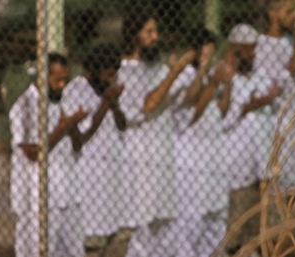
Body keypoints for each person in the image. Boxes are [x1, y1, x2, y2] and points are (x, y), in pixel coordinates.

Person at [117, 7, 196, 256]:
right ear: (134, 35)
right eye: (149, 31)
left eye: (156, 31)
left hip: (163, 162)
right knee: (141, 235)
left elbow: (188, 99)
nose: (155, 37)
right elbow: (147, 105)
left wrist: (196, 70)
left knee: (165, 233)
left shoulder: (159, 70)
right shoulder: (123, 71)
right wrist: (175, 72)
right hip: (139, 164)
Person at [149, 27, 225, 257]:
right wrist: (203, 71)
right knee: (190, 215)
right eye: (208, 50)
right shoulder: (184, 76)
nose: (212, 55)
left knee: (213, 212)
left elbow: (219, 108)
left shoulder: (210, 74)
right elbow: (190, 104)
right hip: (188, 155)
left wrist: (219, 81)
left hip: (211, 153)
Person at [9, 53, 87, 257]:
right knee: (41, 250)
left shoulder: (63, 98)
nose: (62, 85)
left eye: (65, 80)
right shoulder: (24, 106)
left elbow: (78, 145)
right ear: (42, 77)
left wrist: (73, 127)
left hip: (69, 190)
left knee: (74, 250)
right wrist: (62, 127)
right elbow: (33, 153)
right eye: (57, 80)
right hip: (40, 194)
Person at [217, 23, 285, 254]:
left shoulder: (258, 75)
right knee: (235, 228)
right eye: (247, 49)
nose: (253, 54)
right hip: (236, 164)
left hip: (261, 164)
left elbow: (275, 98)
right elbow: (225, 120)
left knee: (263, 227)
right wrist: (255, 103)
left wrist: (256, 103)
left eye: (254, 48)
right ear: (234, 48)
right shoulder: (223, 78)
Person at [60, 43, 126, 252]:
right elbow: (81, 137)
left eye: (113, 75)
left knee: (112, 239)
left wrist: (114, 104)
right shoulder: (75, 90)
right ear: (93, 71)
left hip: (111, 176)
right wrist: (106, 102)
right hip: (89, 178)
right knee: (90, 243)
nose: (110, 79)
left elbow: (122, 125)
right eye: (107, 74)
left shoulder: (107, 89)